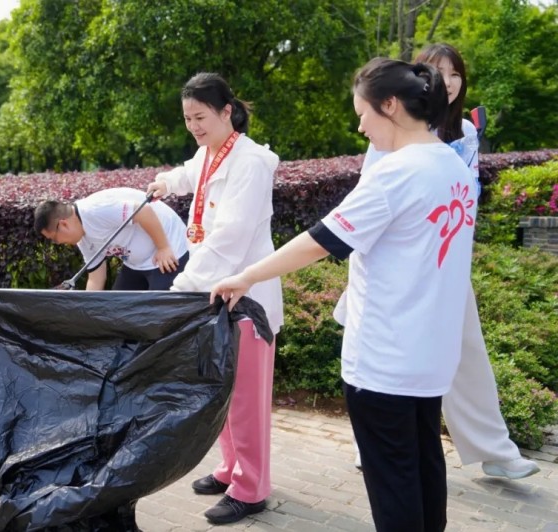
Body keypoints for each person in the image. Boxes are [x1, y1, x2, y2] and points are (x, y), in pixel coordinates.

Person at [212, 58, 477, 531]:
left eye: (362, 113)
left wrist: (246, 276)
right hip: (432, 356)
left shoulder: (397, 173)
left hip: (385, 359)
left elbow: (321, 240)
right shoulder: (451, 165)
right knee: (424, 465)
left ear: (389, 105)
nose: (360, 127)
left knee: (394, 483)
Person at [352, 43, 539, 480]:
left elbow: (465, 199)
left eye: (455, 73)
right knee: (382, 357)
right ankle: (373, 445)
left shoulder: (465, 133)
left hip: (445, 266)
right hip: (398, 269)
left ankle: (495, 450)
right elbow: (365, 206)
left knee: (467, 354)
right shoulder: (391, 127)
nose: (448, 81)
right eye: (437, 71)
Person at [146, 72, 283, 525]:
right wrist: (166, 182)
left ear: (227, 112)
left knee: (246, 400)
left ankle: (251, 487)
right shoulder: (211, 152)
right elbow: (191, 174)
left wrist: (182, 289)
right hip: (215, 294)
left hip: (246, 298)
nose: (193, 126)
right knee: (222, 390)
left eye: (200, 117)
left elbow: (229, 240)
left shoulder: (251, 162)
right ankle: (231, 468)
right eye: (187, 118)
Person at [35, 187, 189, 290]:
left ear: (63, 224)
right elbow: (96, 276)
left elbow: (143, 211)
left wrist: (163, 247)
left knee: (159, 312)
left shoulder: (95, 210)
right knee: (118, 308)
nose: (58, 243)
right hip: (135, 264)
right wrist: (86, 310)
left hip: (169, 250)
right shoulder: (81, 237)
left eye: (54, 239)